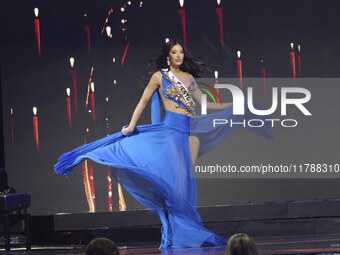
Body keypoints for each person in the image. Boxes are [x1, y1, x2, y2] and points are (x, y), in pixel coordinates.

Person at [54, 39, 273, 250]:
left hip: (192, 131)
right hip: (170, 132)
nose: (179, 56)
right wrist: (131, 126)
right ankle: (179, 231)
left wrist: (235, 104)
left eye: (181, 52)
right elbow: (143, 101)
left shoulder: (188, 78)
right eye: (174, 52)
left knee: (186, 183)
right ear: (168, 56)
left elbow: (205, 104)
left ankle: (186, 229)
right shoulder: (159, 77)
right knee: (175, 183)